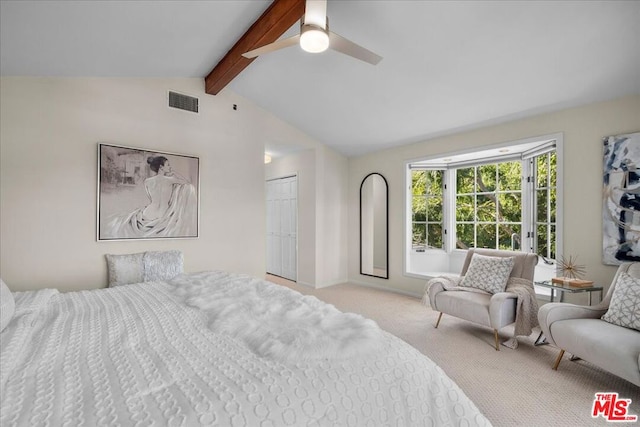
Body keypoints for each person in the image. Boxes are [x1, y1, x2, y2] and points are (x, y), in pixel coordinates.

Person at [105, 155, 197, 238]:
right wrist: (174, 174)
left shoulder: (147, 181)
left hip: (148, 213)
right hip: (163, 214)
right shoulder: (170, 180)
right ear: (161, 167)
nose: (170, 167)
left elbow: (150, 198)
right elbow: (187, 183)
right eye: (168, 165)